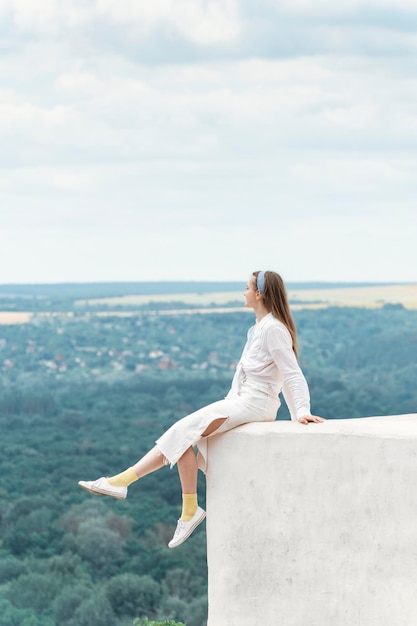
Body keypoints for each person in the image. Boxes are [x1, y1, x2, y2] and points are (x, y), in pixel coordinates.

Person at [78, 271, 324, 548]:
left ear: (259, 294)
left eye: (246, 288)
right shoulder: (259, 328)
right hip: (241, 400)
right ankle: (184, 508)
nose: (242, 292)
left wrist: (301, 411)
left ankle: (125, 483)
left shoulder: (273, 329)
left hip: (255, 403)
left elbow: (291, 373)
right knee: (183, 435)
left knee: (184, 431)